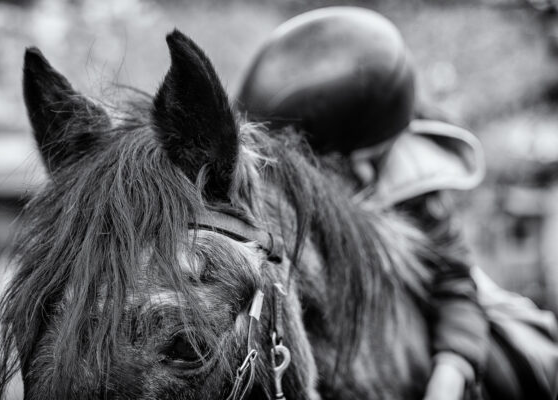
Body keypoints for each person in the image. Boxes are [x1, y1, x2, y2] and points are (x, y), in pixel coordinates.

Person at [237, 7, 558, 400]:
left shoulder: (413, 179)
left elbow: (455, 281)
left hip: (430, 327)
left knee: (531, 357)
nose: (369, 178)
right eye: (349, 164)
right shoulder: (262, 202)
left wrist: (452, 370)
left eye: (375, 159)